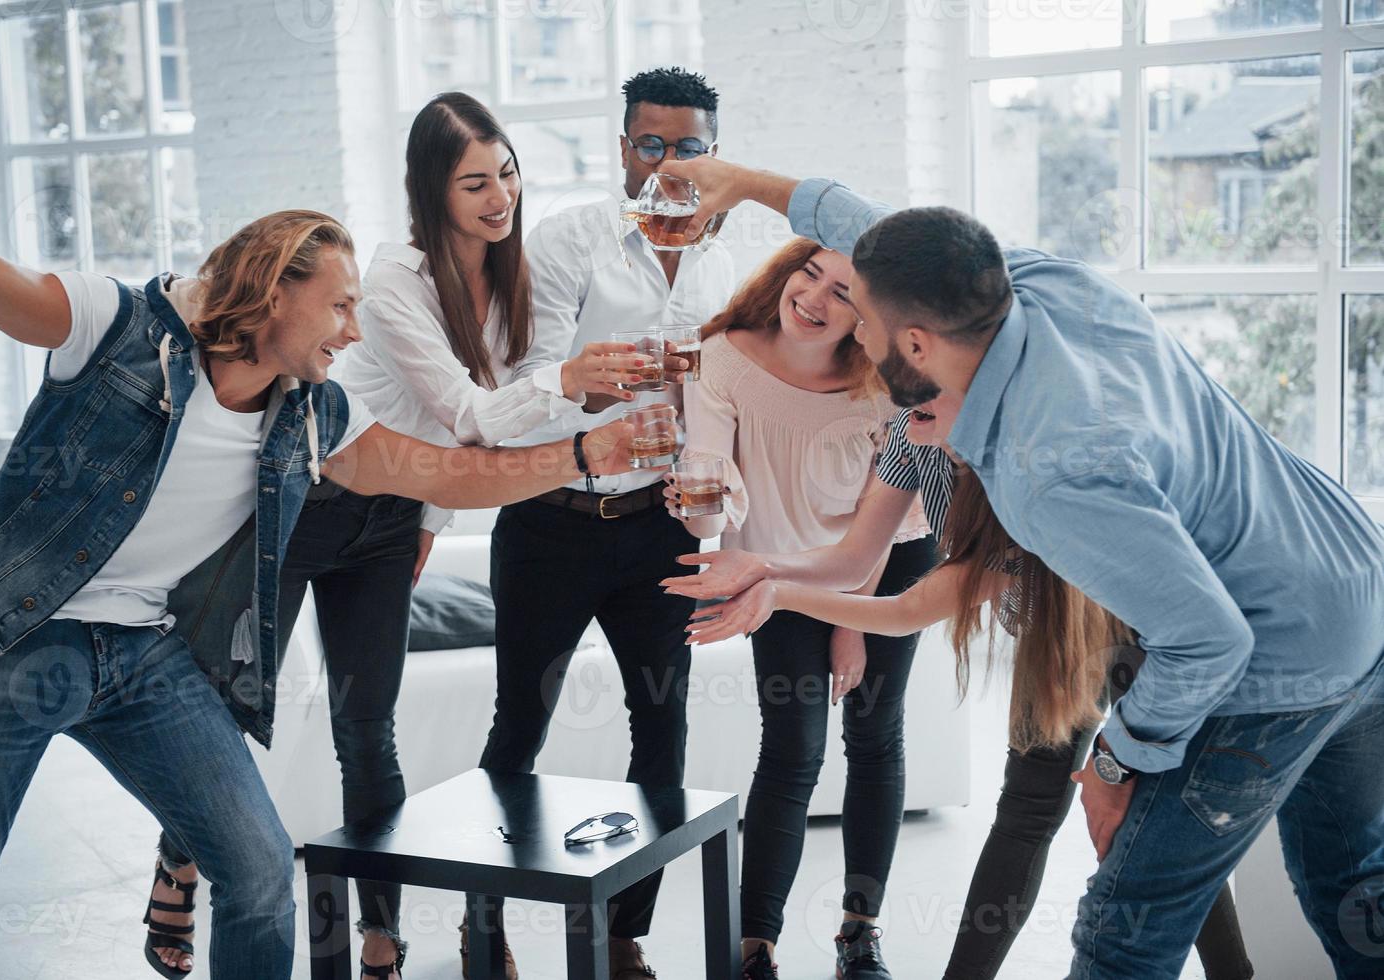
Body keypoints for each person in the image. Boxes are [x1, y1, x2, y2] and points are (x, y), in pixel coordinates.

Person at [658, 153, 1384, 979]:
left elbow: (1208, 643)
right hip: (1358, 586)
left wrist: (1115, 765)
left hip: (1273, 649)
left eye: (862, 317)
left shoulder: (1047, 472)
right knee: (1354, 890)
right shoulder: (1032, 289)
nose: (852, 330)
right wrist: (747, 183)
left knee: (1122, 935)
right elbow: (894, 240)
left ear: (916, 341)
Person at [0, 195, 639, 980]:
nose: (354, 331)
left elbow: (450, 473)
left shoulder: (315, 415)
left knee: (260, 875)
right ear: (272, 292)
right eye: (340, 306)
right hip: (9, 642)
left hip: (141, 657)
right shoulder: (113, 325)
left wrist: (585, 452)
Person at [139, 92, 648, 980]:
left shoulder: (512, 283)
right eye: (474, 182)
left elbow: (469, 435)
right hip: (302, 504)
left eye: (509, 173)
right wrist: (565, 383)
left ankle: (380, 933)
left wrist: (432, 518)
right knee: (230, 707)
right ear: (432, 189)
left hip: (390, 519)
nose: (501, 197)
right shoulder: (396, 277)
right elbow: (470, 416)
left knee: (366, 726)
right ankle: (181, 861)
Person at [664, 402, 1255, 980]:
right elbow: (855, 565)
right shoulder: (911, 434)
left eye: (923, 382)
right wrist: (765, 575)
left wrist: (778, 590)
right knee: (1025, 813)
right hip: (1055, 638)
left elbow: (917, 606)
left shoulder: (1031, 449)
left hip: (1151, 639)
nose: (905, 399)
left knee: (1159, 815)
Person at [475, 66, 736, 980]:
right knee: (520, 725)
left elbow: (732, 401)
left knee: (662, 727)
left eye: (688, 147)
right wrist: (596, 378)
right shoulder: (568, 240)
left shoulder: (731, 256)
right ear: (623, 148)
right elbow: (524, 386)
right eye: (651, 145)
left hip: (661, 528)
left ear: (714, 151)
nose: (668, 166)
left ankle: (624, 934)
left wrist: (717, 483)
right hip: (551, 522)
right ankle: (487, 927)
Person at [663, 237, 934, 980]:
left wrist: (852, 622)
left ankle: (860, 931)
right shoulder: (720, 356)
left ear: (869, 315)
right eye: (808, 274)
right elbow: (707, 501)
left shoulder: (886, 383)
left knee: (876, 730)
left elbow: (875, 529)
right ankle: (757, 946)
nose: (814, 300)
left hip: (885, 556)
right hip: (774, 562)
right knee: (793, 745)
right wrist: (698, 502)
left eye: (843, 293)